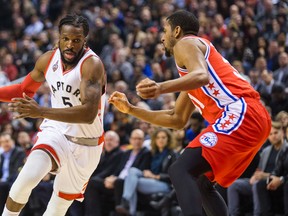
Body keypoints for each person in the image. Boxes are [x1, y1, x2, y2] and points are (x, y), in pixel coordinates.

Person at [109, 10, 271, 216]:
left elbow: (201, 76)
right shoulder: (192, 71)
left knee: (179, 169)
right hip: (252, 118)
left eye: (164, 30)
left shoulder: (186, 43)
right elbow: (176, 119)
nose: (161, 37)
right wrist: (131, 109)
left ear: (176, 31)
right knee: (201, 182)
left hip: (242, 112)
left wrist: (160, 87)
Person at [0, 14, 106, 216]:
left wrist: (40, 111)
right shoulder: (48, 59)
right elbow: (24, 89)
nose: (70, 45)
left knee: (57, 209)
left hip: (87, 144)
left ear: (85, 40)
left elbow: (88, 114)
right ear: (58, 37)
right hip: (55, 131)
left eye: (76, 40)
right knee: (25, 179)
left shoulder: (92, 65)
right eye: (65, 39)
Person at [115, 127, 177, 216]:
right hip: (150, 181)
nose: (161, 140)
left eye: (163, 137)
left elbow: (174, 177)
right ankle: (126, 202)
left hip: (165, 184)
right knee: (132, 171)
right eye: (158, 137)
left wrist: (155, 176)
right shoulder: (153, 153)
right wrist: (147, 174)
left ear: (168, 139)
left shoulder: (172, 154)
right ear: (154, 139)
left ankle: (130, 210)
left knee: (133, 182)